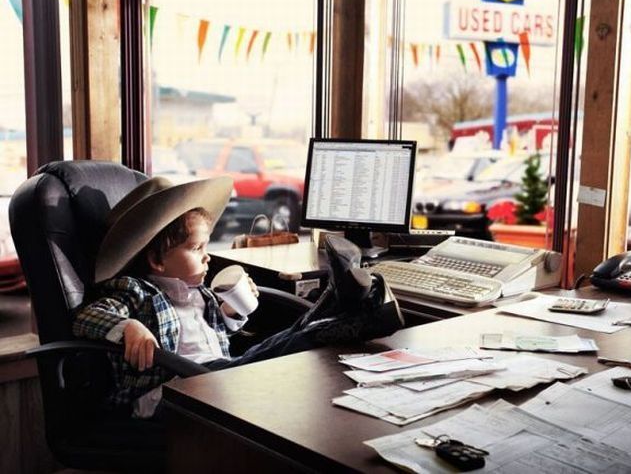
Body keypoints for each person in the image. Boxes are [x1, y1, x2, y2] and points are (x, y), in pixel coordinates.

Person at [73, 176, 403, 418]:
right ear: (157, 261)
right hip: (169, 394)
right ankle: (358, 317)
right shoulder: (134, 291)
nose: (207, 257)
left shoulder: (198, 293)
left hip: (215, 375)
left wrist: (230, 311)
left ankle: (333, 304)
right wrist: (129, 327)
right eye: (196, 248)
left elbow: (218, 334)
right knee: (274, 355)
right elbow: (85, 317)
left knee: (278, 342)